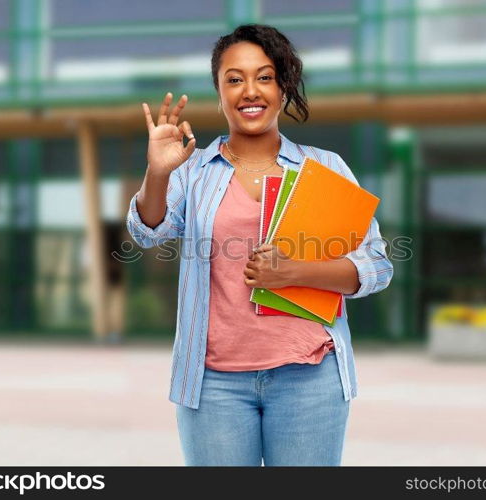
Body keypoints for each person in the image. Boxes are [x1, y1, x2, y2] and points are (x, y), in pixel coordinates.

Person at [126, 24, 393, 466]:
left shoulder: (325, 167)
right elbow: (147, 233)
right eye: (234, 79)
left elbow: (377, 266)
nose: (250, 90)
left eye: (264, 77)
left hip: (309, 376)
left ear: (283, 87)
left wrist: (295, 272)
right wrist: (157, 172)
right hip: (213, 384)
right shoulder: (193, 171)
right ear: (219, 91)